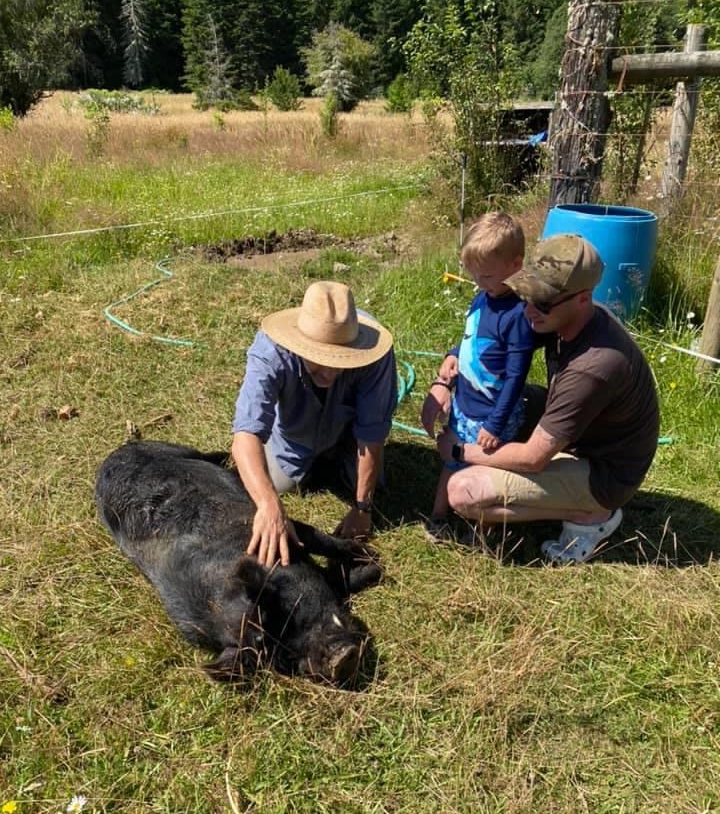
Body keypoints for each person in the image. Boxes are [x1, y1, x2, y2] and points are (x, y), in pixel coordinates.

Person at [432, 233, 660, 563]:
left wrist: (459, 449)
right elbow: (496, 344)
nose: (528, 309)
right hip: (585, 435)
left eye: (541, 301)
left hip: (604, 472)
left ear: (583, 299)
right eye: (526, 294)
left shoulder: (593, 367)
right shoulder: (560, 317)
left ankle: (593, 516)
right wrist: (447, 370)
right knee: (507, 400)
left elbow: (533, 458)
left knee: (464, 491)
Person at [232, 280, 397, 568]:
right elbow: (246, 434)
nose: (330, 372)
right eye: (319, 360)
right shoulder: (270, 352)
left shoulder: (376, 356)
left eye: (341, 360)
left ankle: (338, 462)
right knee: (278, 485)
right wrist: (269, 506)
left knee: (375, 485)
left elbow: (371, 435)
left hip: (350, 436)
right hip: (294, 437)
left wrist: (362, 507)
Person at [421, 213, 535, 536]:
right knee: (452, 460)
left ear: (515, 266)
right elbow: (470, 337)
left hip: (492, 414)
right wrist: (453, 356)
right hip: (465, 404)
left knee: (483, 470)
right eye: (473, 274)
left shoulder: (518, 316)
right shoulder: (482, 298)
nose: (478, 282)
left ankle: (482, 529)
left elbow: (515, 377)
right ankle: (438, 517)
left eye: (485, 275)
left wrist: (496, 424)